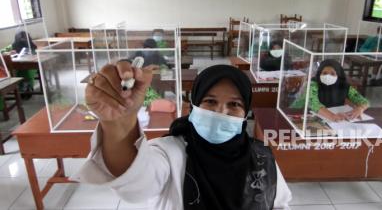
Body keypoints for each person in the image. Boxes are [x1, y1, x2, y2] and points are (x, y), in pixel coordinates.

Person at [73, 64, 292, 209]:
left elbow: (279, 203)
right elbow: (137, 185)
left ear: (246, 114)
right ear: (193, 106)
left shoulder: (261, 156)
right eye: (210, 101)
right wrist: (117, 123)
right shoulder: (171, 152)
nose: (220, 112)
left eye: (234, 104)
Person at [291, 59, 369, 121]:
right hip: (298, 113)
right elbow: (314, 104)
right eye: (324, 73)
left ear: (338, 75)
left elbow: (364, 101)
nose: (328, 76)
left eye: (332, 74)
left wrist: (360, 108)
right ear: (319, 74)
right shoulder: (313, 85)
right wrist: (332, 116)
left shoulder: (344, 86)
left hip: (326, 117)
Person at [11, 31, 37, 98]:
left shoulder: (16, 44)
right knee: (25, 72)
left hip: (24, 68)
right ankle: (26, 88)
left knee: (23, 72)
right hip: (27, 67)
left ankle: (24, 89)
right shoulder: (16, 45)